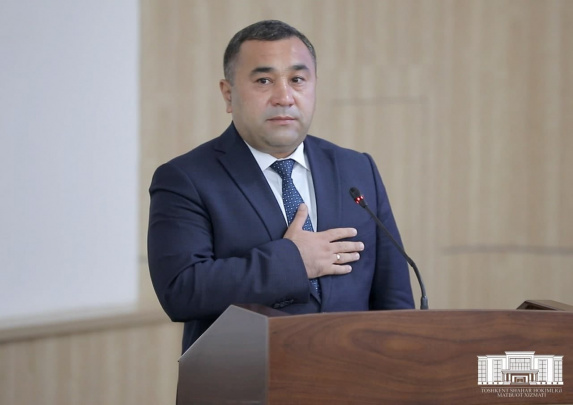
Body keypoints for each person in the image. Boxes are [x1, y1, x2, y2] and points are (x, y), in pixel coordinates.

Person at [147, 19, 414, 353]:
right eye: (264, 80)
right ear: (228, 94)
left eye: (297, 80)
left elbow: (394, 297)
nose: (284, 97)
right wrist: (293, 262)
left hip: (353, 371)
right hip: (247, 376)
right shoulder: (186, 178)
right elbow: (182, 291)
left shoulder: (356, 168)